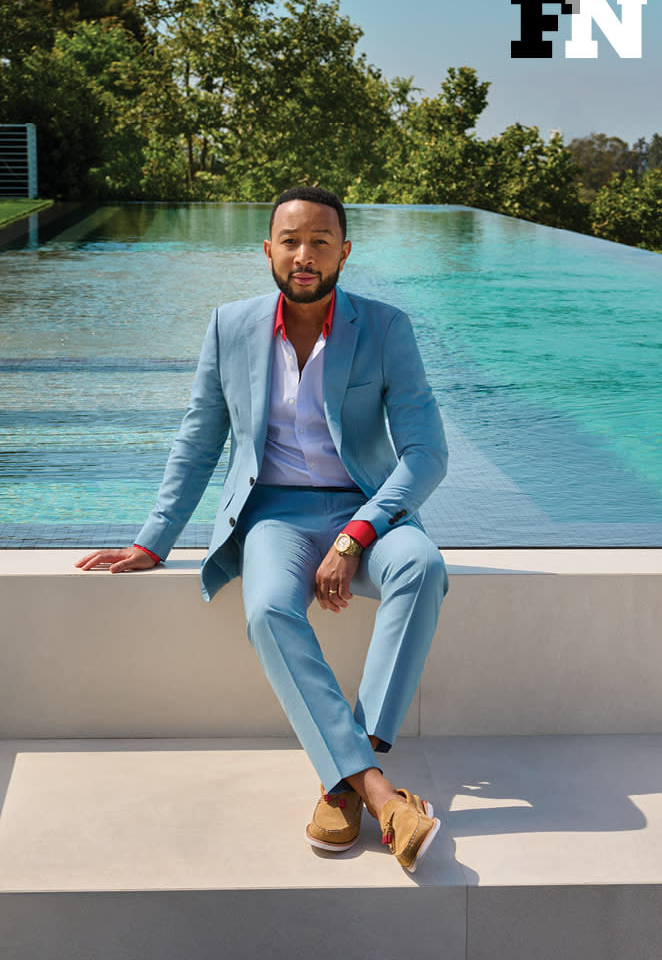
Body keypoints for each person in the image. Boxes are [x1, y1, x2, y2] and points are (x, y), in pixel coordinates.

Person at [77, 186, 449, 872]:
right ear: (267, 249)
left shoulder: (386, 328)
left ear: (344, 250)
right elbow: (197, 442)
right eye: (289, 240)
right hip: (275, 513)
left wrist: (355, 537)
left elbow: (426, 454)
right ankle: (376, 791)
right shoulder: (230, 326)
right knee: (270, 608)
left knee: (422, 567)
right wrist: (150, 540)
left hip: (363, 508)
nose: (303, 255)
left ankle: (342, 777)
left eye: (318, 241)